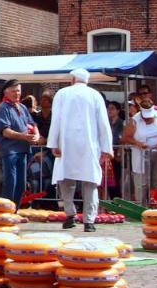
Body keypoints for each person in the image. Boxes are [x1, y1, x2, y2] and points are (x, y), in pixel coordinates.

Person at [47, 68, 113, 232]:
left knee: (66, 180)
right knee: (90, 182)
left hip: (66, 144)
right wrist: (107, 147)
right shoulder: (95, 95)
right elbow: (103, 123)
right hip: (89, 145)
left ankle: (70, 215)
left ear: (73, 79)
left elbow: (55, 120)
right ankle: (89, 221)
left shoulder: (62, 93)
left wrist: (53, 143)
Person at [0, 80, 39, 208]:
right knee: (11, 182)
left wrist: (36, 134)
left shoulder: (22, 107)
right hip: (10, 150)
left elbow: (32, 124)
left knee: (21, 183)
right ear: (6, 92)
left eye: (18, 90)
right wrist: (24, 136)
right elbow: (5, 131)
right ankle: (6, 211)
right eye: (14, 91)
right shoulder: (2, 108)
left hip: (23, 149)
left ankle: (15, 210)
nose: (17, 93)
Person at [123, 100, 157, 205]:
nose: (148, 119)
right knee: (141, 182)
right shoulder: (134, 120)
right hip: (140, 155)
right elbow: (125, 137)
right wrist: (138, 143)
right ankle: (141, 205)